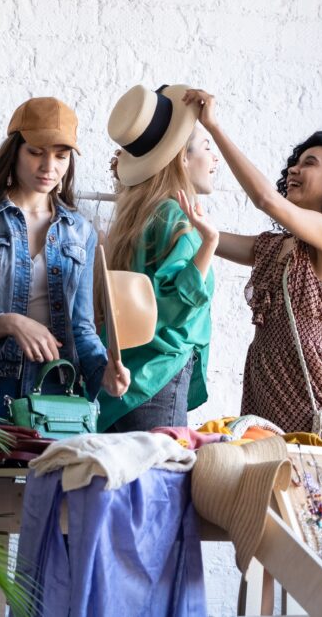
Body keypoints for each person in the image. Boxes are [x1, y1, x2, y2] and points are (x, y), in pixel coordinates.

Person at [0, 96, 130, 616]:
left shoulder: (80, 232)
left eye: (61, 156)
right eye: (38, 152)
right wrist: (7, 322)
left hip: (57, 404)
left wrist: (104, 371)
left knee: (58, 542)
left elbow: (83, 333)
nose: (49, 167)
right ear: (15, 150)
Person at [179, 88, 322, 433]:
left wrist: (213, 127)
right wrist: (159, 193)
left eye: (309, 163)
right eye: (295, 161)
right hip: (263, 377)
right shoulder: (275, 247)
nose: (294, 169)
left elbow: (265, 199)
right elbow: (207, 238)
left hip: (309, 387)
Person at [100, 84, 219, 432]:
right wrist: (209, 242)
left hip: (128, 380)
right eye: (207, 147)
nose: (214, 159)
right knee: (159, 485)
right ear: (182, 157)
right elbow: (170, 304)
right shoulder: (173, 216)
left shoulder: (140, 215)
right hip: (156, 383)